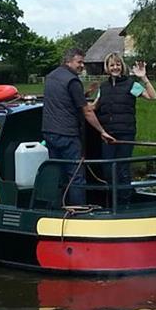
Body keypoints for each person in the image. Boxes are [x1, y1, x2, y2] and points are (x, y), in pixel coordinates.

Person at [42, 48, 114, 206]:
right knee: (76, 174)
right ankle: (78, 209)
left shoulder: (51, 76)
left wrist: (85, 94)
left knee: (57, 173)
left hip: (49, 132)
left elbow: (62, 100)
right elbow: (87, 111)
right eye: (79, 62)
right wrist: (102, 131)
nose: (82, 65)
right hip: (67, 133)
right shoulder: (72, 81)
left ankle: (55, 207)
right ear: (68, 61)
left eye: (83, 62)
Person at [92, 53, 156, 204]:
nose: (115, 67)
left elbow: (152, 97)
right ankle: (111, 202)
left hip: (125, 133)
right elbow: (95, 105)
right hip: (107, 133)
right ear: (107, 68)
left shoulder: (130, 85)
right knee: (108, 169)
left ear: (122, 66)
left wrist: (143, 78)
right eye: (112, 65)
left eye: (118, 64)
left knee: (122, 169)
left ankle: (124, 203)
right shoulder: (104, 87)